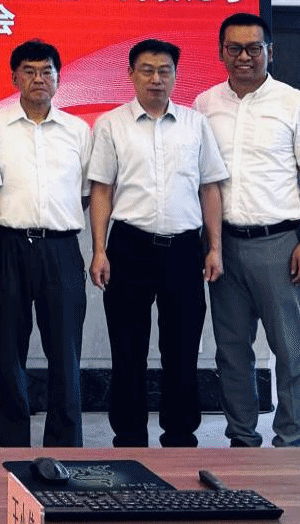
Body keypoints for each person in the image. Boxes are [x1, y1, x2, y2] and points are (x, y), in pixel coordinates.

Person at [195, 12, 300, 448]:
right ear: (221, 52)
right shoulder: (203, 105)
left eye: (254, 48)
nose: (244, 57)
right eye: (234, 48)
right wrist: (211, 244)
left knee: (290, 350)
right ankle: (242, 438)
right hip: (222, 245)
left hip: (279, 244)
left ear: (270, 52)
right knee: (232, 351)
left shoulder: (294, 103)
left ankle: (291, 441)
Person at [88, 38, 227, 447]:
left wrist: (214, 247)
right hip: (128, 246)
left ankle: (180, 436)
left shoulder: (195, 124)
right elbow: (102, 189)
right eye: (147, 70)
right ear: (131, 74)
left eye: (165, 71)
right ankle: (129, 436)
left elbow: (210, 187)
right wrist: (99, 250)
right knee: (127, 348)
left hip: (184, 249)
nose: (156, 79)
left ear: (175, 75)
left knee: (181, 348)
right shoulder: (111, 124)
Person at [0, 38, 92, 447]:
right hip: (7, 246)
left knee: (65, 352)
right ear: (14, 78)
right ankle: (11, 443)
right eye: (29, 71)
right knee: (8, 351)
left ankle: (65, 445)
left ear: (59, 78)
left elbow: (86, 192)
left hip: (61, 248)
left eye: (47, 71)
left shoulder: (78, 131)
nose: (38, 79)